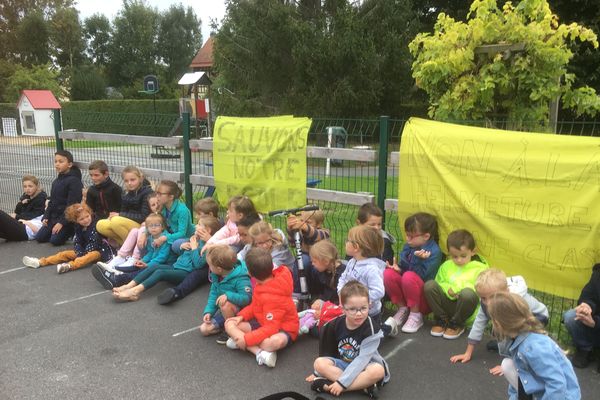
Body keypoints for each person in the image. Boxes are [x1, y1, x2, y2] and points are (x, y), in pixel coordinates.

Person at [450, 268, 548, 373]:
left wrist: (508, 366)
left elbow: (516, 331)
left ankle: (519, 360)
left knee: (521, 337)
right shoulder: (486, 302)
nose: (488, 302)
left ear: (506, 291)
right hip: (515, 318)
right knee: (500, 329)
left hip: (537, 317)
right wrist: (467, 353)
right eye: (483, 298)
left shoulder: (513, 302)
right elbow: (478, 324)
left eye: (492, 297)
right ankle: (504, 346)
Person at [488, 292, 581, 400]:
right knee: (507, 364)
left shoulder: (533, 347)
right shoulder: (515, 339)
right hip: (548, 391)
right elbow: (520, 373)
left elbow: (557, 384)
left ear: (498, 323)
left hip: (562, 396)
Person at [307, 281, 390, 399]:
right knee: (319, 363)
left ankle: (332, 387)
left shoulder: (372, 329)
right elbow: (327, 351)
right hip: (344, 363)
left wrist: (342, 384)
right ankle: (364, 386)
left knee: (378, 371)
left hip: (366, 366)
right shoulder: (333, 325)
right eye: (352, 309)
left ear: (369, 305)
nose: (359, 313)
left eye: (363, 308)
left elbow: (362, 359)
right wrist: (317, 372)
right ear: (343, 309)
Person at [224, 247, 298, 368]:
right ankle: (259, 352)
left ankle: (242, 342)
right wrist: (241, 316)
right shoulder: (263, 283)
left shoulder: (272, 296)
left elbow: (271, 328)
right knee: (229, 323)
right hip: (263, 322)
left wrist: (246, 340)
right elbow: (255, 305)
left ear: (250, 273)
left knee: (274, 342)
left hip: (284, 329)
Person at [383, 212, 443, 334]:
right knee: (388, 274)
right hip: (409, 292)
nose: (407, 239)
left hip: (423, 300)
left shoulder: (434, 252)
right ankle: (403, 309)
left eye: (411, 236)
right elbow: (405, 269)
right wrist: (398, 269)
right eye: (407, 235)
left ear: (426, 236)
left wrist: (419, 259)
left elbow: (422, 277)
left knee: (409, 276)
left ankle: (416, 315)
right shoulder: (409, 246)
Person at [423, 229, 488, 339]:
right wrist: (449, 290)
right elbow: (440, 282)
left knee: (468, 293)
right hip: (447, 304)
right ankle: (442, 320)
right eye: (454, 256)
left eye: (463, 256)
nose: (459, 260)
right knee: (429, 285)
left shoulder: (481, 268)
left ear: (473, 251)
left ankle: (457, 324)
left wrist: (458, 290)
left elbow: (482, 289)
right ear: (449, 253)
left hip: (465, 307)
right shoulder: (446, 265)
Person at [23, 203, 112, 274]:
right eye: (81, 219)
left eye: (87, 216)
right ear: (76, 221)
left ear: (90, 214)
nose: (86, 220)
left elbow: (95, 242)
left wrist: (82, 253)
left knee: (91, 255)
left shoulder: (96, 224)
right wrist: (79, 251)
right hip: (84, 251)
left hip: (100, 252)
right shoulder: (78, 227)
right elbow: (77, 241)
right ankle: (41, 262)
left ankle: (69, 266)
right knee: (64, 254)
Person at [155, 215, 223, 305]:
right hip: (192, 264)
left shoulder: (218, 236)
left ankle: (176, 292)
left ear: (208, 229)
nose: (195, 225)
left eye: (198, 224)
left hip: (206, 267)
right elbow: (176, 245)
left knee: (195, 275)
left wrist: (206, 242)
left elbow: (198, 264)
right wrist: (182, 245)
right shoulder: (198, 236)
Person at [103, 213, 176, 292]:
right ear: (147, 228)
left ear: (162, 227)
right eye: (151, 226)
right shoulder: (151, 237)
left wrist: (148, 264)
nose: (153, 228)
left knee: (142, 271)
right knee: (136, 266)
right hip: (155, 261)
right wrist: (143, 260)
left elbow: (162, 257)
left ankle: (120, 279)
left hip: (166, 263)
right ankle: (117, 270)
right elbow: (151, 252)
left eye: (156, 225)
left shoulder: (164, 239)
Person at [200, 245, 252, 343]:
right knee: (204, 329)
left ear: (219, 269)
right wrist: (209, 311)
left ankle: (230, 331)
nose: (209, 268)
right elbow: (214, 294)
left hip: (241, 313)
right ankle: (226, 325)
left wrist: (228, 295)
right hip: (227, 314)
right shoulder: (216, 275)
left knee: (224, 304)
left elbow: (247, 298)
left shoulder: (241, 277)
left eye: (210, 265)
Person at [96, 193, 160, 271]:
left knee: (142, 229)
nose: (156, 206)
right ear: (150, 207)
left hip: (153, 244)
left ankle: (135, 258)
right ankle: (121, 257)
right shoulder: (152, 215)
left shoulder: (161, 215)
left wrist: (146, 226)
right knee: (134, 231)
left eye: (158, 203)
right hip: (146, 242)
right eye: (153, 205)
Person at [337, 226, 386, 322]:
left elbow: (378, 291)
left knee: (369, 334)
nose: (345, 242)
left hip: (368, 313)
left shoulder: (371, 269)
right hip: (350, 309)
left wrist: (361, 301)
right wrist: (341, 293)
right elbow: (343, 278)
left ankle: (387, 327)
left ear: (356, 247)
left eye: (348, 240)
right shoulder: (352, 262)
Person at [35, 150, 83, 245]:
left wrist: (61, 223)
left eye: (61, 162)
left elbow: (72, 206)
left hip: (67, 220)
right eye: (56, 161)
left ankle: (72, 231)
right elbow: (52, 201)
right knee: (40, 237)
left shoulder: (74, 181)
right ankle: (55, 230)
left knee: (55, 241)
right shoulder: (56, 181)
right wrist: (46, 216)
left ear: (69, 164)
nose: (57, 164)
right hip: (54, 217)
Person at [96, 165, 153, 245]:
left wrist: (119, 215)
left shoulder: (147, 192)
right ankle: (126, 245)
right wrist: (115, 216)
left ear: (140, 179)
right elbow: (123, 211)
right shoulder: (125, 192)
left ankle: (129, 248)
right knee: (100, 224)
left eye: (133, 180)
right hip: (127, 223)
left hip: (142, 225)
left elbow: (144, 216)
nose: (129, 183)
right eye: (126, 181)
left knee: (116, 221)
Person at [563, 263, 600, 369]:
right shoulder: (598, 274)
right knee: (571, 317)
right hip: (595, 325)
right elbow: (587, 295)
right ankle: (585, 348)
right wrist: (587, 306)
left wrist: (595, 323)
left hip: (596, 323)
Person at [287, 209, 330, 292]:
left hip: (319, 266)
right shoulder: (301, 233)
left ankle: (318, 293)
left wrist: (305, 227)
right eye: (302, 221)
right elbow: (292, 244)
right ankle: (297, 292)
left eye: (308, 222)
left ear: (319, 224)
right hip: (304, 265)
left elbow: (315, 235)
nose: (304, 224)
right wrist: (291, 229)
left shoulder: (324, 232)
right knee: (303, 260)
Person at [0, 175, 47, 242]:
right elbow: (17, 211)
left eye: (30, 186)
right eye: (25, 186)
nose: (27, 189)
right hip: (20, 225)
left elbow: (33, 215)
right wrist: (21, 203)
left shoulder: (41, 199)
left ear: (37, 186)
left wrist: (17, 217)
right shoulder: (26, 196)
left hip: (24, 228)